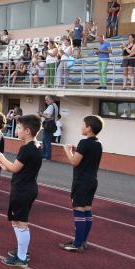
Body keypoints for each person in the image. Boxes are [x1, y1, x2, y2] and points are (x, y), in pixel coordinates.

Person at [0, 114, 43, 268]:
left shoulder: (26, 148)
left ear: (27, 131)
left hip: (22, 189)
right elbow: (20, 168)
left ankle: (22, 257)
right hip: (27, 187)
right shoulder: (36, 145)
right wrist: (6, 166)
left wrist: (2, 158)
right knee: (16, 221)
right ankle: (21, 251)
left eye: (20, 128)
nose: (17, 130)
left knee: (21, 222)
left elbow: (15, 167)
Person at [60, 115, 104, 252]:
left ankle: (77, 244)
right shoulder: (99, 143)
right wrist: (76, 151)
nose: (81, 127)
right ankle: (82, 241)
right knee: (87, 209)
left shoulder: (84, 143)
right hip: (92, 181)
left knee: (79, 209)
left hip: (81, 181)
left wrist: (67, 150)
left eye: (83, 125)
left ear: (89, 128)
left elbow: (74, 162)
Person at [39, 96, 58, 161]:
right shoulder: (55, 105)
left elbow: (49, 116)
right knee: (45, 140)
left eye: (47, 100)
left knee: (46, 141)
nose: (46, 101)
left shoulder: (51, 106)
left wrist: (41, 114)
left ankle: (47, 156)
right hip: (52, 125)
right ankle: (45, 155)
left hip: (48, 125)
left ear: (51, 99)